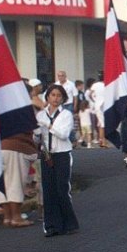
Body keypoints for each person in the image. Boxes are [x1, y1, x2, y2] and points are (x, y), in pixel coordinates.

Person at [36, 84, 80, 237]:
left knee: (62, 188)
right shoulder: (40, 115)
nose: (55, 98)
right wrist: (36, 133)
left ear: (63, 99)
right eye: (52, 95)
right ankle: (52, 225)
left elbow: (63, 134)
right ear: (47, 97)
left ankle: (69, 223)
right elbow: (38, 137)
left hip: (61, 154)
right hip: (47, 155)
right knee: (48, 190)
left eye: (58, 96)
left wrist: (48, 125)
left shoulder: (66, 115)